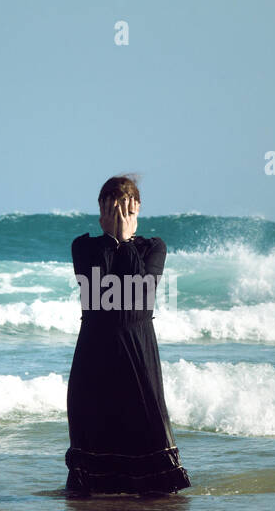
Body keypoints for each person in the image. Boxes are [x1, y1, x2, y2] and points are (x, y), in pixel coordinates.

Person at [65, 175, 191, 494]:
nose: (121, 219)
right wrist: (112, 241)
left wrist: (125, 242)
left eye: (127, 211)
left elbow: (138, 292)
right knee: (89, 483)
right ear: (101, 213)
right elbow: (99, 285)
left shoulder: (154, 248)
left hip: (138, 355)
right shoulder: (84, 247)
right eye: (114, 211)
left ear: (138, 212)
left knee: (157, 482)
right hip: (94, 356)